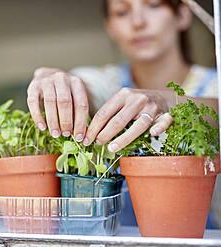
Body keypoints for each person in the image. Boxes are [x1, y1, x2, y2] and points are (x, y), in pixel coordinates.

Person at [27, 0, 220, 228]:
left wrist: (166, 102)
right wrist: (59, 80)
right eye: (122, 12)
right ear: (109, 27)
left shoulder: (215, 84)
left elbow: (215, 109)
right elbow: (86, 86)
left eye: (154, 5)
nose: (138, 22)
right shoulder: (110, 83)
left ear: (183, 15)